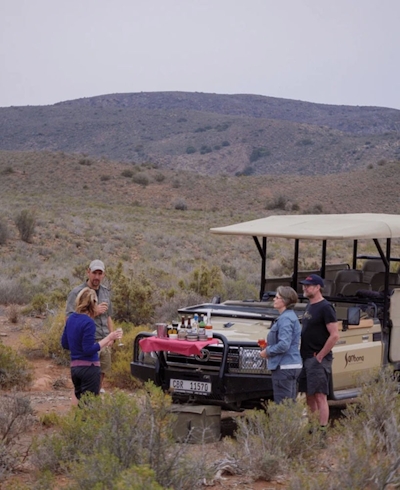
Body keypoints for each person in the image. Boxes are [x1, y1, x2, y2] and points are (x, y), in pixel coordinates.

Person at [61, 287, 121, 400]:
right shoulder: (88, 322)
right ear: (93, 303)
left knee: (81, 404)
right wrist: (109, 337)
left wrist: (76, 344)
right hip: (89, 368)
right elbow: (88, 350)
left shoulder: (71, 319)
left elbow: (65, 344)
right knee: (90, 406)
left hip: (75, 368)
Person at [66, 259, 115, 394]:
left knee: (101, 371)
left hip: (104, 339)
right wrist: (95, 311)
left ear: (104, 275)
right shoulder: (77, 292)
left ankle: (95, 398)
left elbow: (109, 316)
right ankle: (84, 400)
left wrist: (111, 337)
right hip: (87, 340)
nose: (97, 277)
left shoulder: (106, 292)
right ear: (88, 272)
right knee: (86, 374)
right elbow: (70, 317)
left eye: (100, 273)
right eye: (94, 273)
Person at [297, 274, 339, 429]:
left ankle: (321, 431)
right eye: (304, 285)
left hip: (318, 359)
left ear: (317, 287)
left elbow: (334, 335)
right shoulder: (310, 306)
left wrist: (320, 356)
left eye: (308, 286)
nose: (305, 288)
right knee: (309, 395)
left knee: (320, 395)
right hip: (306, 357)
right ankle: (312, 427)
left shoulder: (325, 307)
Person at [260, 286, 302, 403]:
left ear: (284, 301)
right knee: (289, 404)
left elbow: (284, 344)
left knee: (283, 406)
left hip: (284, 366)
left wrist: (267, 352)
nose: (274, 299)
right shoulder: (289, 316)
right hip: (290, 365)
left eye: (277, 297)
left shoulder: (285, 319)